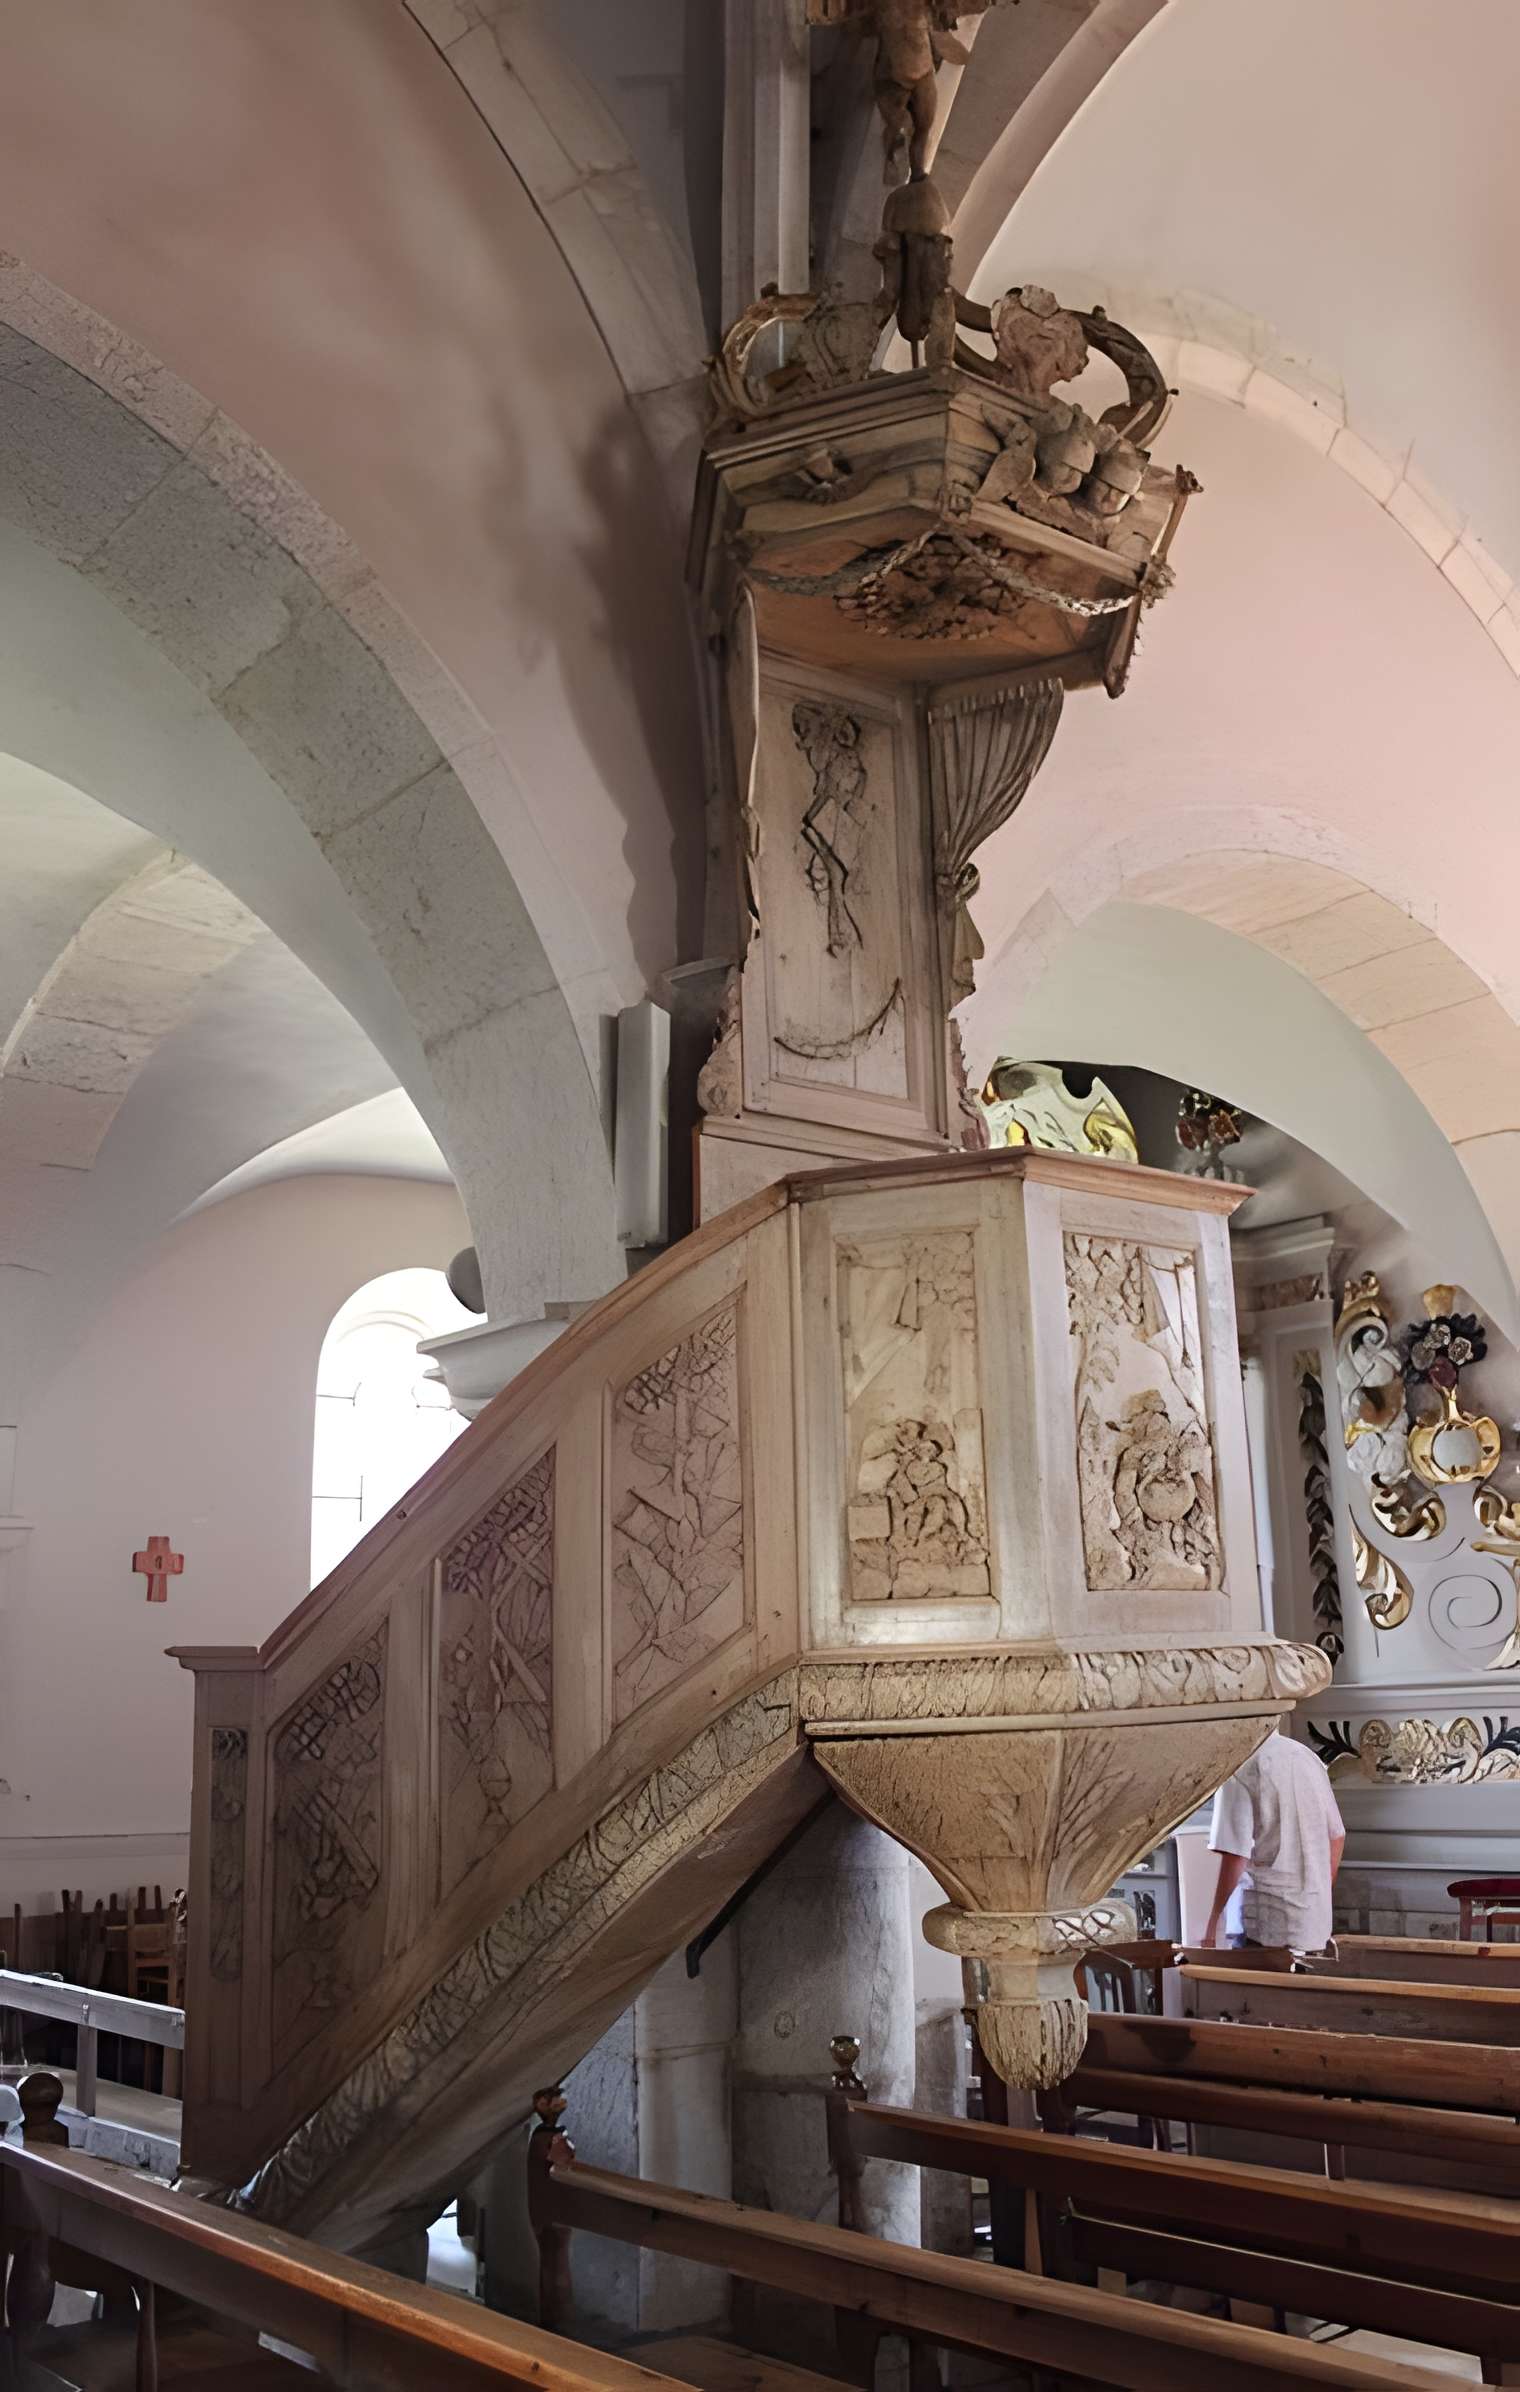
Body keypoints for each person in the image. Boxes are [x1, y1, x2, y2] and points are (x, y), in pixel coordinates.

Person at [1201, 1725, 1345, 1952]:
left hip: (1266, 1923)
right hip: (1314, 1922)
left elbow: (1235, 1856)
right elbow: (1336, 1836)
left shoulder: (1241, 1767)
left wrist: (1212, 1924)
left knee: (1259, 1986)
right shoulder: (1307, 1758)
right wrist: (1316, 1894)